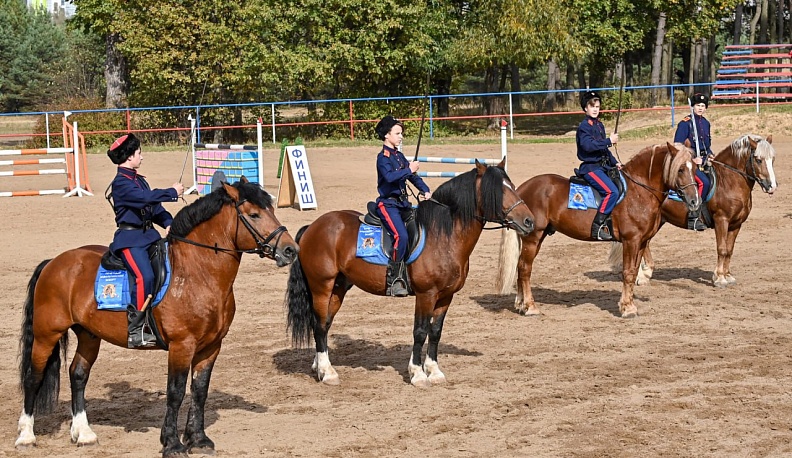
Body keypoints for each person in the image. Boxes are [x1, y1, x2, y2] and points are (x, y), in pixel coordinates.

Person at [107, 134, 184, 348]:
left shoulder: (139, 180)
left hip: (150, 236)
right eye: (139, 153)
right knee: (144, 276)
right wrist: (171, 192)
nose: (142, 157)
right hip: (130, 240)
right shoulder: (121, 183)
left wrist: (168, 222)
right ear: (130, 156)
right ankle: (136, 330)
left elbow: (154, 208)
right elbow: (144, 199)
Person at [374, 115, 431, 296]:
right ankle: (396, 280)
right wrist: (409, 169)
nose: (401, 137)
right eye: (397, 133)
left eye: (401, 133)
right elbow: (390, 177)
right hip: (388, 205)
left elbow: (412, 177)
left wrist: (425, 190)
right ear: (386, 136)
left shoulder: (399, 156)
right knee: (402, 236)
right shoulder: (383, 158)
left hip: (403, 204)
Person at [576, 90, 621, 241]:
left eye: (597, 106)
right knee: (611, 192)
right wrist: (609, 141)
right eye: (592, 106)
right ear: (585, 109)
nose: (595, 109)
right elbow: (588, 146)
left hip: (604, 166)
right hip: (591, 168)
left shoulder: (599, 125)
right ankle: (598, 225)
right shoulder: (584, 127)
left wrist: (616, 163)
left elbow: (604, 150)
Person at [674, 93, 712, 231]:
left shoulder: (706, 123)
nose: (700, 108)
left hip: (703, 160)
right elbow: (678, 146)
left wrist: (710, 155)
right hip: (689, 162)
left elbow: (707, 146)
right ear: (693, 106)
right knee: (704, 183)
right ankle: (694, 216)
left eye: (703, 106)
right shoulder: (685, 123)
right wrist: (692, 158)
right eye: (698, 105)